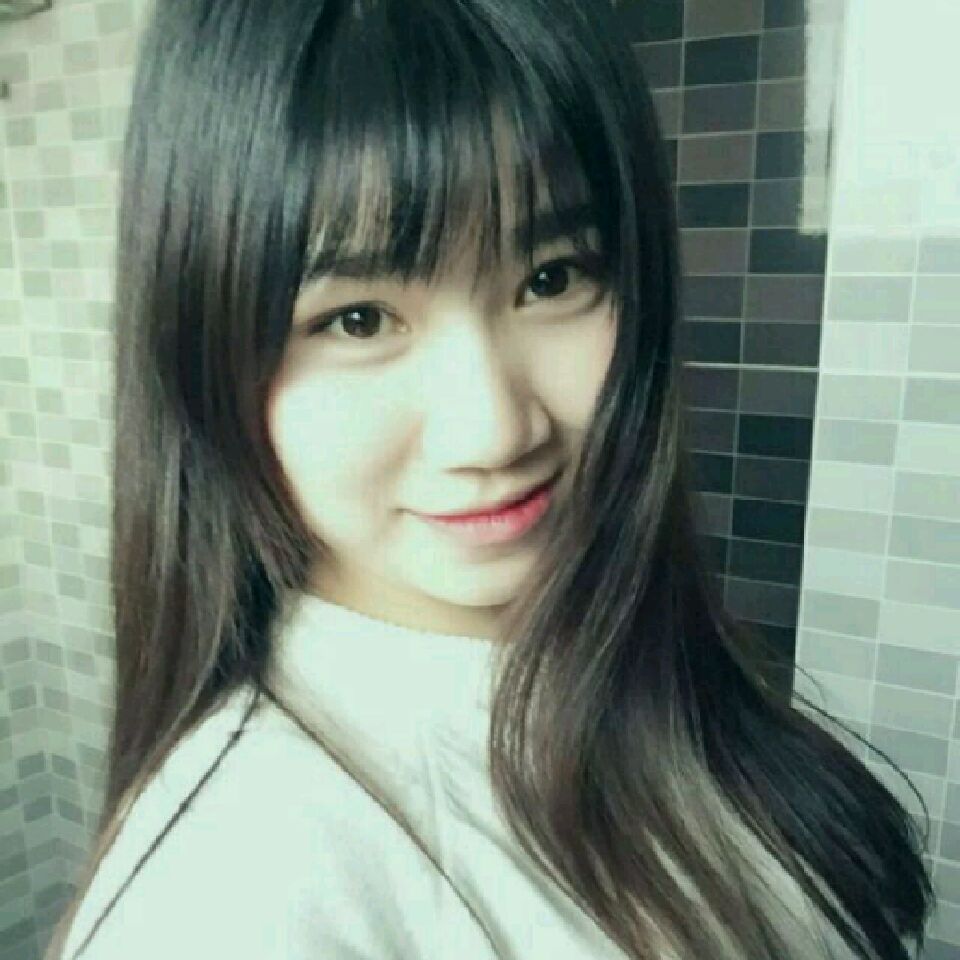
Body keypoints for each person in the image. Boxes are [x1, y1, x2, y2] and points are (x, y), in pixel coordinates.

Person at [45, 0, 935, 958]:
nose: (495, 429)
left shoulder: (633, 666)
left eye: (551, 278)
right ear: (205, 356)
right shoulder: (236, 885)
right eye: (358, 319)